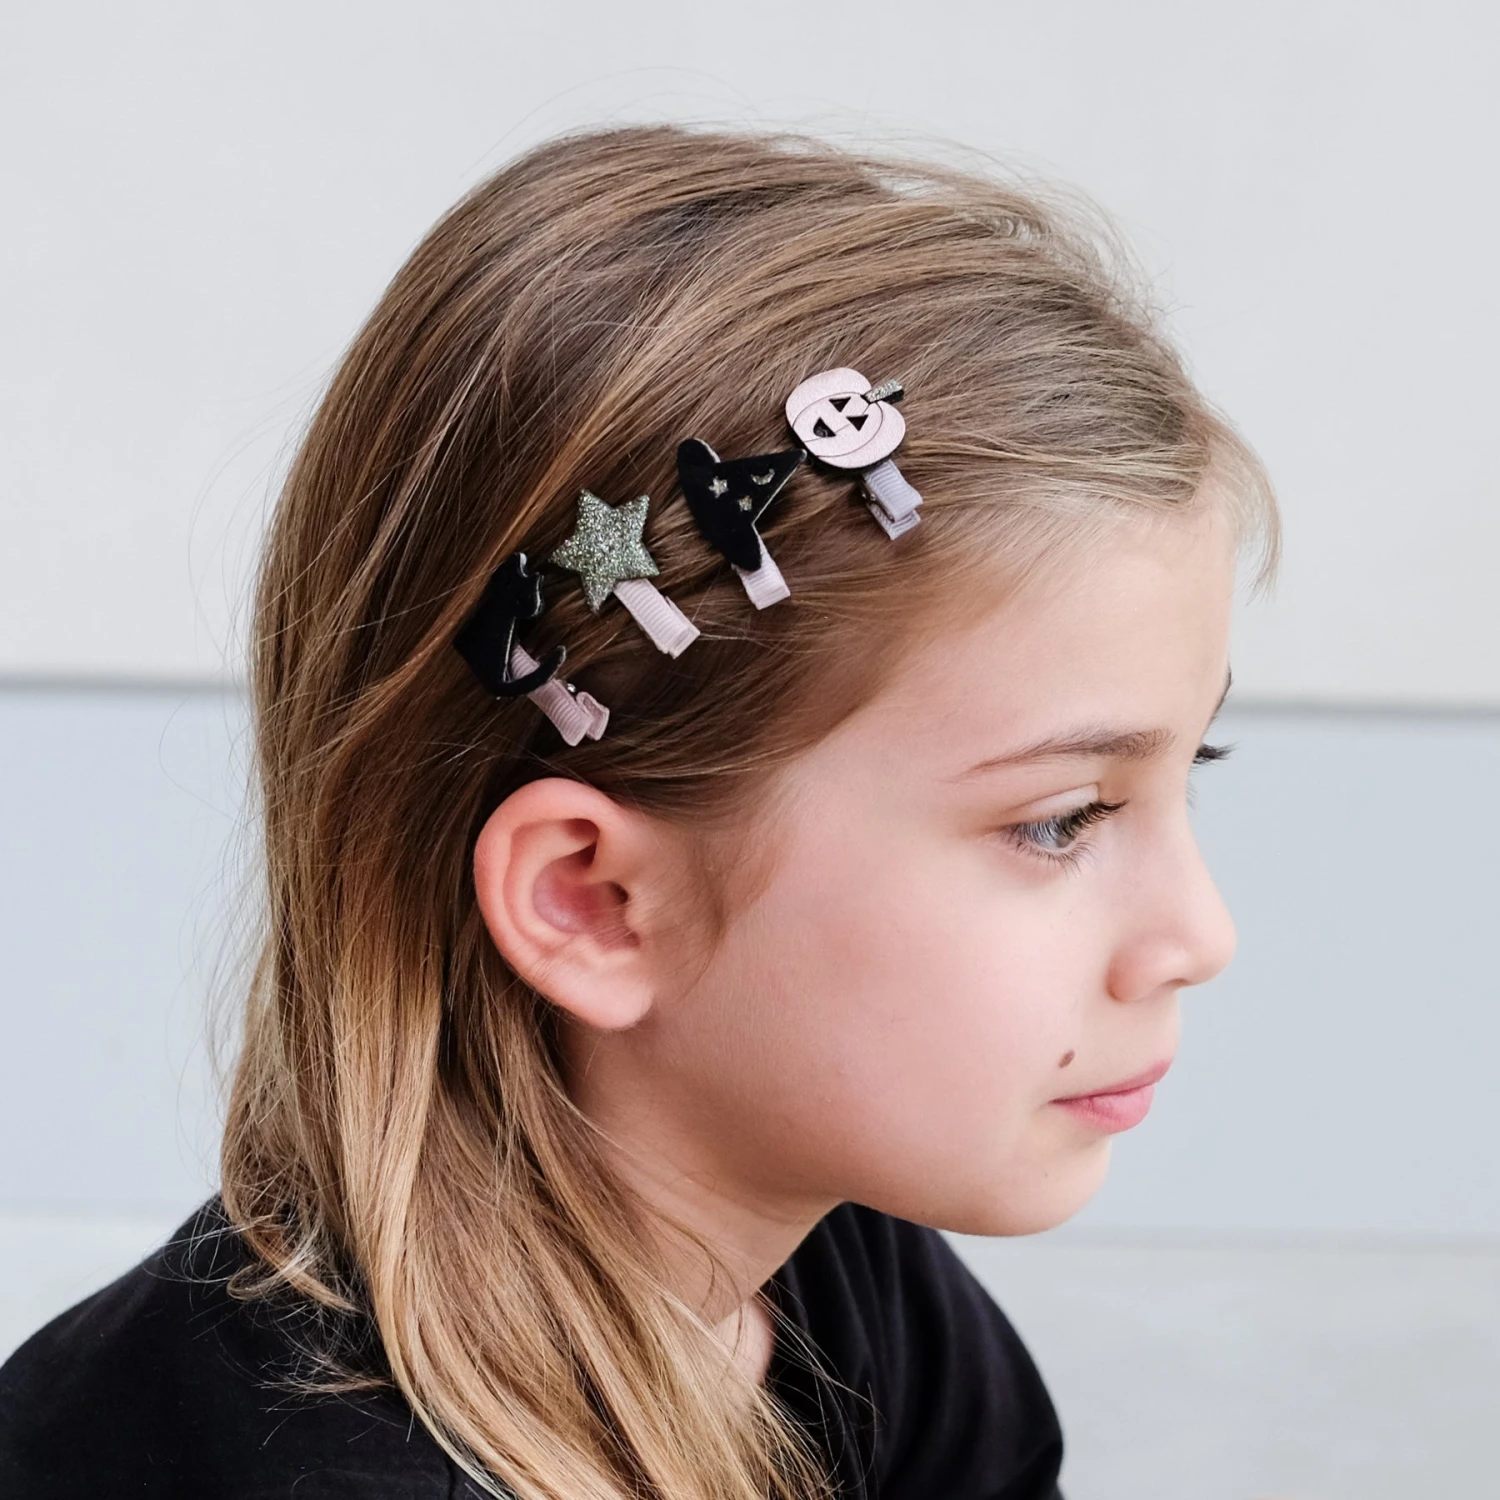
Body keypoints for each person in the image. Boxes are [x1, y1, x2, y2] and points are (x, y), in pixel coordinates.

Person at [0, 123, 1277, 1499]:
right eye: (1063, 819)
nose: (1200, 935)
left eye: (1190, 765)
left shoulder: (838, 1278)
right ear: (592, 902)